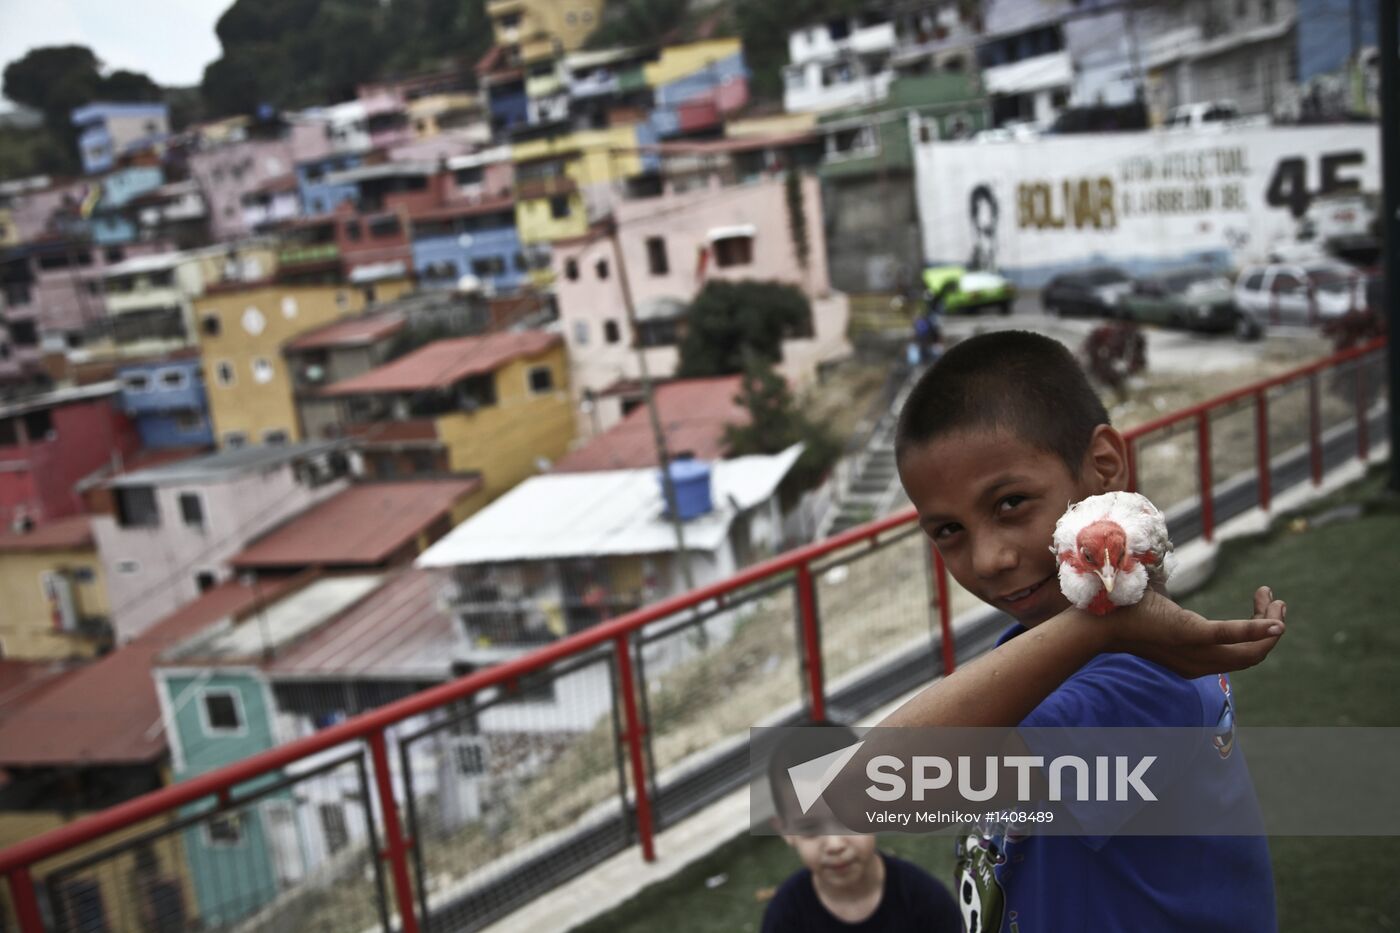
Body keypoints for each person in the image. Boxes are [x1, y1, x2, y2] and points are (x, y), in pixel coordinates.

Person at [829, 330, 1285, 932]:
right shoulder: (1046, 647)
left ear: (1103, 466)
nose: (987, 558)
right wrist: (1085, 630)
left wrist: (1091, 632)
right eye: (947, 531)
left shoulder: (1138, 681)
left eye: (1011, 502)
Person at [762, 724, 963, 932]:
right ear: (785, 830)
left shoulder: (922, 897)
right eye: (810, 829)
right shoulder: (785, 916)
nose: (834, 844)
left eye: (848, 821)